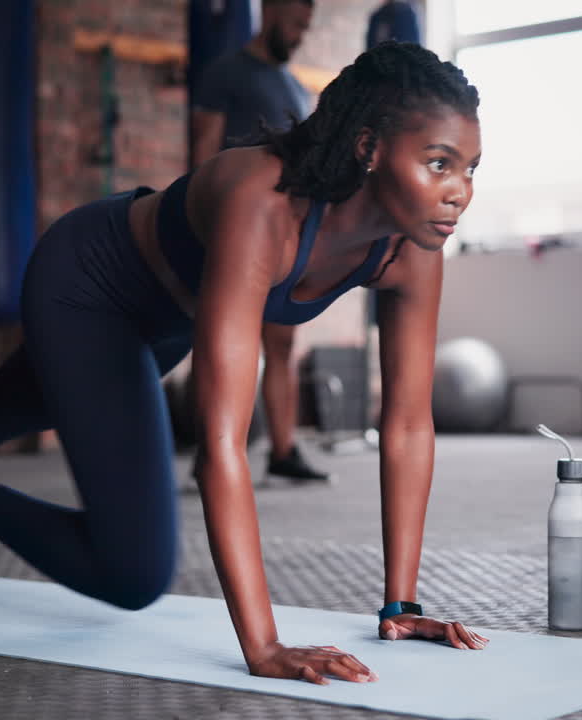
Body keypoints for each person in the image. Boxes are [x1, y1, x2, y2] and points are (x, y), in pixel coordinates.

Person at [0, 41, 488, 685]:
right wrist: (264, 645)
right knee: (133, 572)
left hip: (168, 323)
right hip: (90, 283)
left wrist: (400, 607)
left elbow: (405, 426)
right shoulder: (267, 202)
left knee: (4, 406)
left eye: (470, 169)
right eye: (438, 163)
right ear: (369, 148)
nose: (459, 191)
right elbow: (221, 444)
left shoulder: (411, 251)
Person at [190, 0, 330, 483]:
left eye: (306, 28)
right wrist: (203, 227)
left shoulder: (295, 87)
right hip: (236, 229)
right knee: (232, 340)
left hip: (285, 235)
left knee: (284, 342)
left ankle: (284, 449)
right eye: (295, 23)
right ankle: (215, 448)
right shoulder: (226, 72)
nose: (299, 35)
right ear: (270, 10)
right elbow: (203, 152)